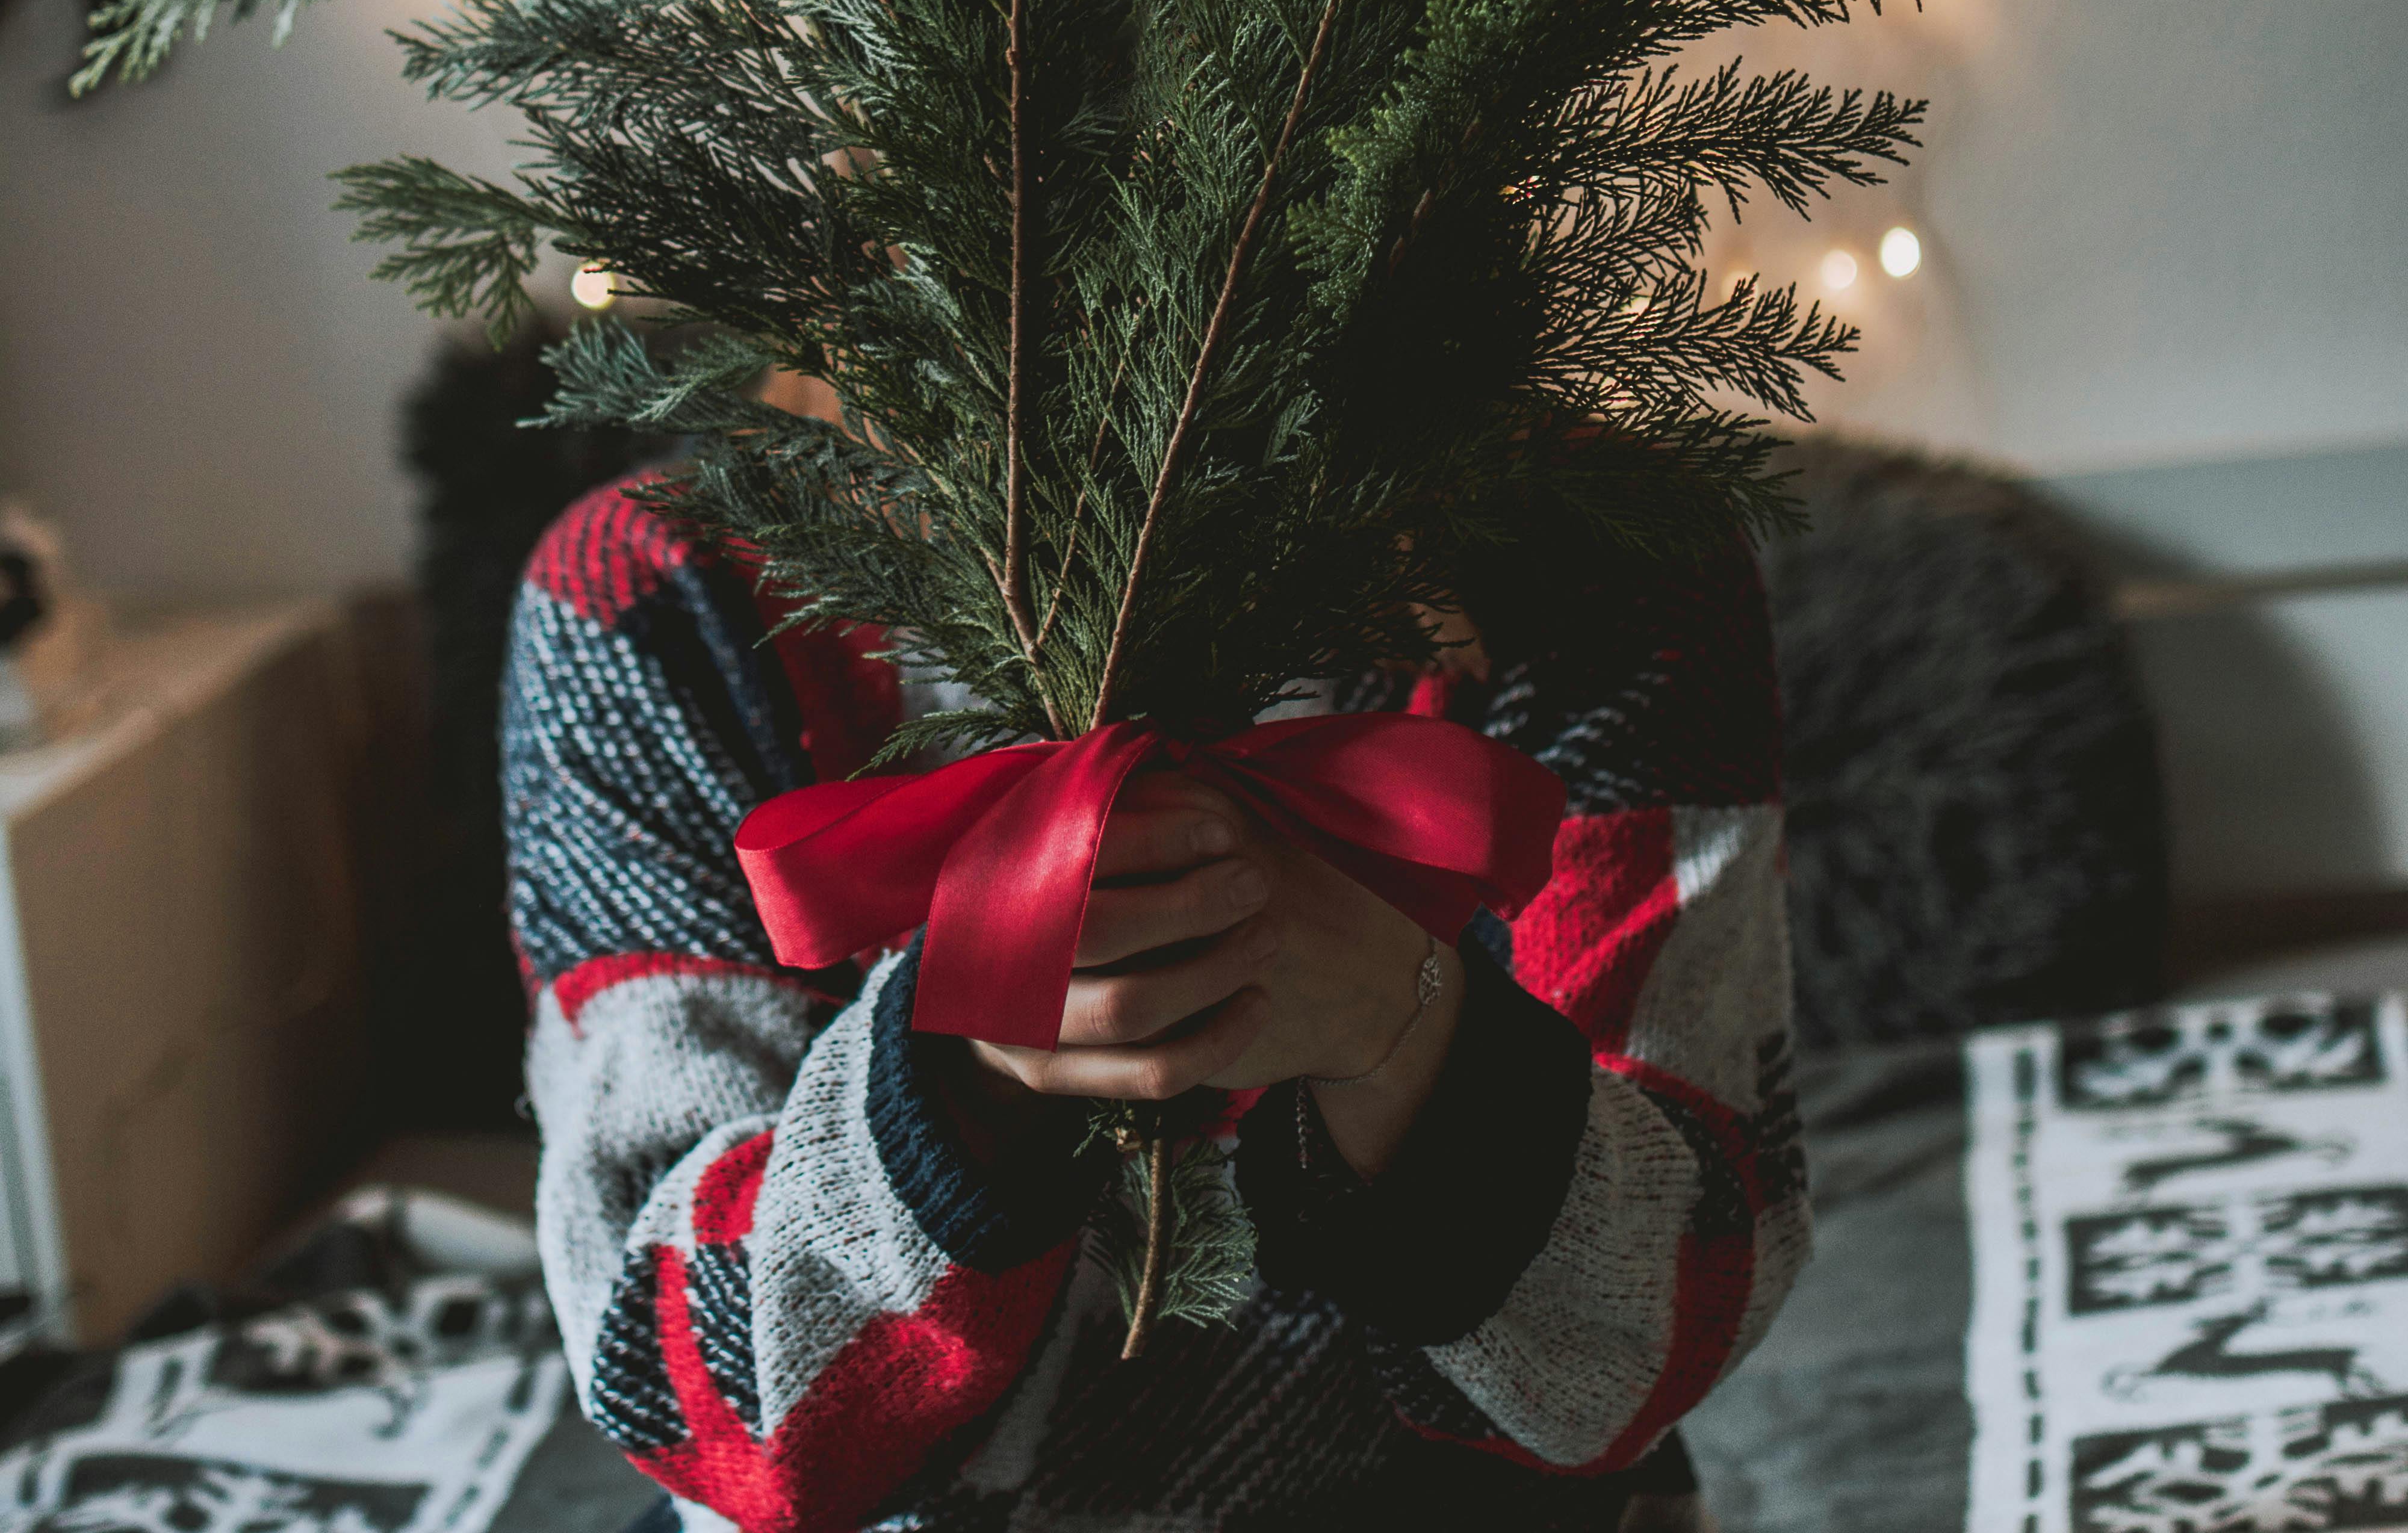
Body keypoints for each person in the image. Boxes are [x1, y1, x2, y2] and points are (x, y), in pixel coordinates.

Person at [502, 457, 1808, 1532]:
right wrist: (953, 1081)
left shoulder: (1604, 544)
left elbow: (1656, 1324)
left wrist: (1406, 1030)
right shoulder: (650, 585)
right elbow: (689, 1384)